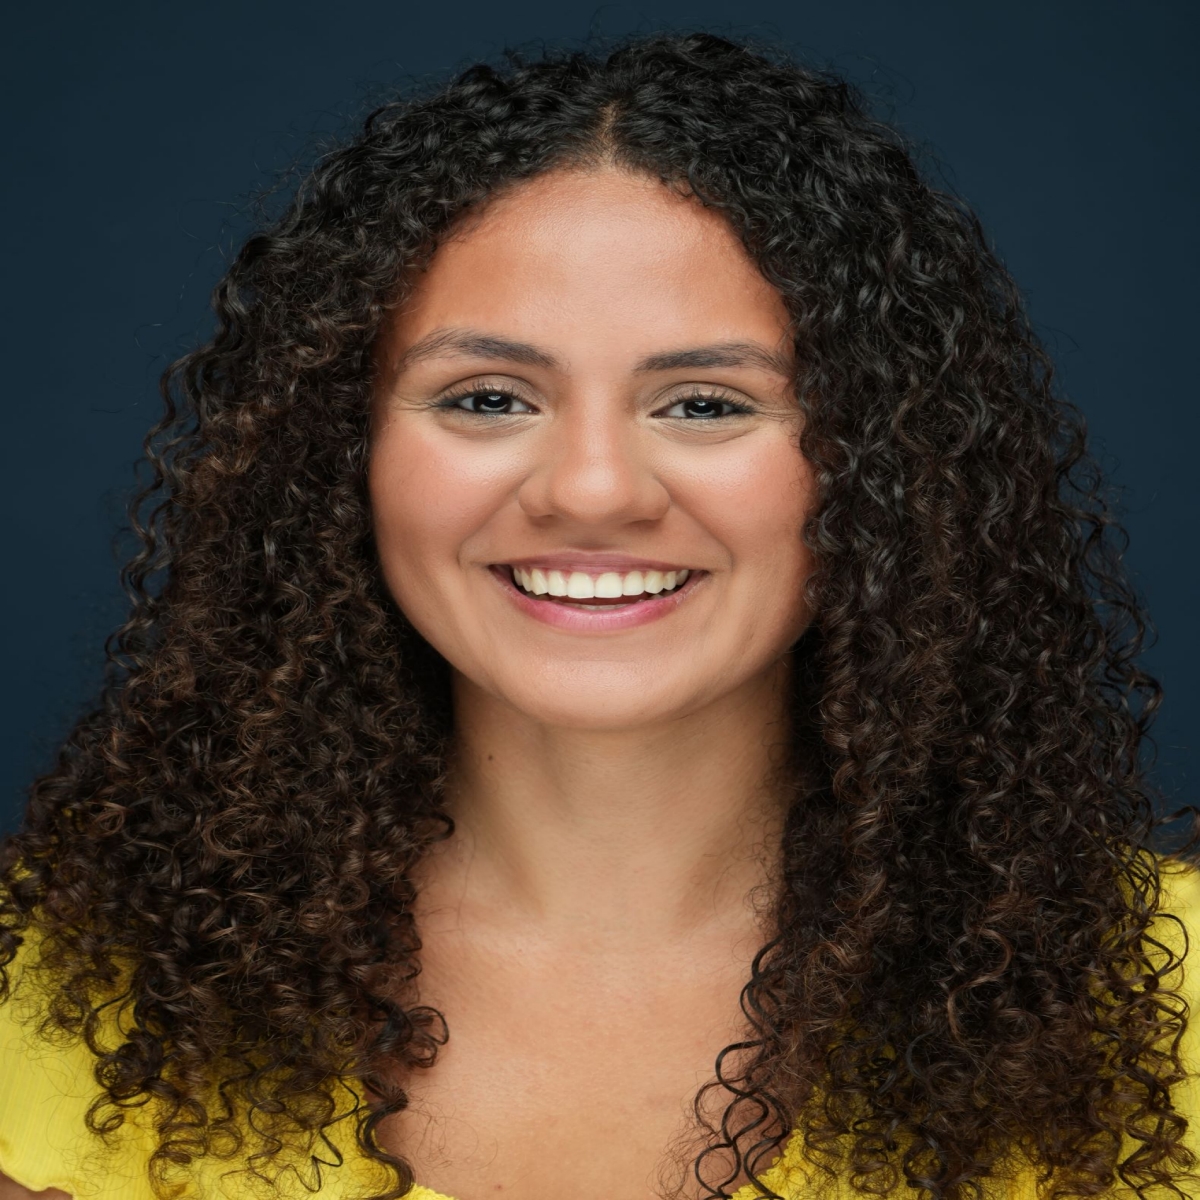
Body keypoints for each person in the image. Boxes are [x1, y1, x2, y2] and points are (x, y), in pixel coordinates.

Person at [0, 29, 1195, 1200]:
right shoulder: (35, 983)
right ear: (338, 453)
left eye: (706, 404)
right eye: (486, 396)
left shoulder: (1171, 1005)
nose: (591, 489)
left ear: (884, 463)